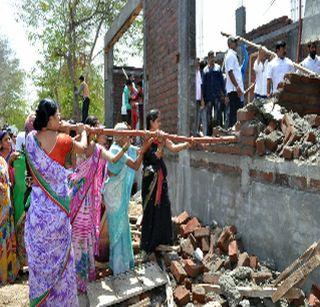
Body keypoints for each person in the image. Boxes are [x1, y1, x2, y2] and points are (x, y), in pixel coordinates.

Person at [25, 98, 88, 306]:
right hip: (58, 216)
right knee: (62, 268)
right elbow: (84, 148)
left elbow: (30, 125)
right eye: (57, 115)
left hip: (37, 217)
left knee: (41, 266)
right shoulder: (64, 141)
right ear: (50, 118)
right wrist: (83, 130)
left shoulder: (31, 140)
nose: (60, 118)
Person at [69, 116, 127, 293]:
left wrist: (125, 146)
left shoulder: (96, 148)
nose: (104, 131)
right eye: (99, 128)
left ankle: (82, 277)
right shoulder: (82, 144)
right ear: (92, 130)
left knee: (84, 236)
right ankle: (78, 277)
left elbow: (114, 159)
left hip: (85, 200)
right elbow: (72, 164)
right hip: (80, 199)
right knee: (79, 236)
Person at [102, 123, 152, 275]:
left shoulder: (118, 148)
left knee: (120, 228)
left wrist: (145, 143)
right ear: (120, 136)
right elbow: (136, 165)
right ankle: (119, 267)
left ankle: (121, 264)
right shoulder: (118, 151)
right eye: (127, 135)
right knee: (118, 229)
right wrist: (144, 148)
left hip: (113, 195)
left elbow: (134, 150)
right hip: (115, 197)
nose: (128, 137)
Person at [141, 110, 191, 255]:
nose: (160, 123)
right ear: (151, 121)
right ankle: (148, 245)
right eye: (158, 121)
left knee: (163, 207)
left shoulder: (161, 135)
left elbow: (174, 148)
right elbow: (155, 157)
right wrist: (161, 144)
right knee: (150, 210)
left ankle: (162, 242)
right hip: (150, 180)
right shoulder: (146, 137)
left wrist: (187, 143)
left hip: (161, 179)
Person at [0, 152, 20, 285]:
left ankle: (9, 272)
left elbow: (7, 181)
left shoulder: (2, 160)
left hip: (6, 206)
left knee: (7, 238)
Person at [202, 51, 227, 134]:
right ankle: (209, 135)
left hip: (217, 96)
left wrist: (224, 94)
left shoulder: (218, 68)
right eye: (210, 57)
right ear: (208, 59)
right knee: (209, 117)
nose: (212, 59)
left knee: (218, 116)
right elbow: (203, 86)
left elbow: (222, 83)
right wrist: (203, 99)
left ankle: (218, 134)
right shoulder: (205, 70)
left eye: (213, 57)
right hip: (208, 97)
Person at [225, 36, 244, 128]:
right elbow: (230, 72)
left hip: (235, 89)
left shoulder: (233, 55)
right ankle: (231, 134)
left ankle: (233, 133)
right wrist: (237, 87)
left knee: (236, 113)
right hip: (234, 89)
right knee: (234, 114)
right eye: (234, 42)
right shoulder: (230, 56)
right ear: (229, 44)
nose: (236, 44)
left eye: (236, 42)